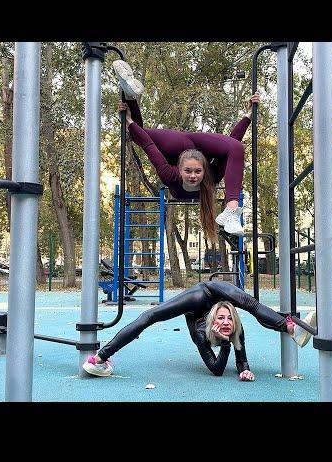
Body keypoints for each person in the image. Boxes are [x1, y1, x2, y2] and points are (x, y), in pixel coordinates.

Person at [112, 59, 259, 239]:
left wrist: (129, 122)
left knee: (138, 134)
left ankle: (129, 94)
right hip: (188, 143)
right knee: (235, 147)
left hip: (176, 146)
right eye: (189, 171)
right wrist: (248, 117)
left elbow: (149, 146)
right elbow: (232, 146)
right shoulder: (211, 178)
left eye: (196, 171)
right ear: (182, 169)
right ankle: (232, 208)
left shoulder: (169, 175)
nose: (193, 176)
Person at [82, 281, 317, 381]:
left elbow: (237, 363)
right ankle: (100, 357)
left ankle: (290, 328)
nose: (226, 323)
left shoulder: (236, 329)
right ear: (214, 318)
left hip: (218, 297)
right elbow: (216, 369)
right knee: (150, 316)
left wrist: (244, 369)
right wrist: (225, 343)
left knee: (251, 305)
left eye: (229, 319)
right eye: (222, 319)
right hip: (203, 294)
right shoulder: (199, 332)